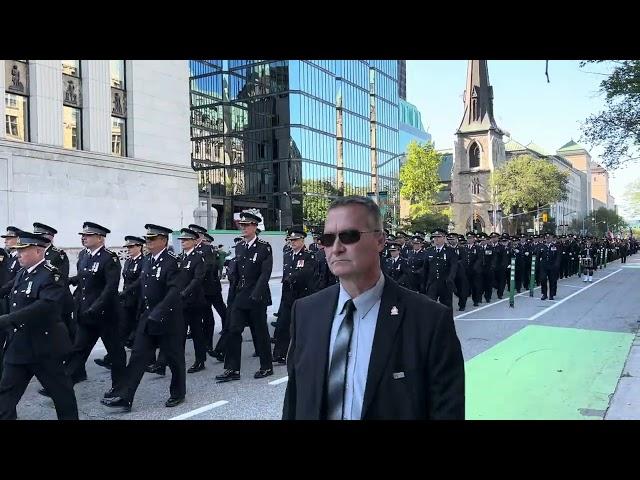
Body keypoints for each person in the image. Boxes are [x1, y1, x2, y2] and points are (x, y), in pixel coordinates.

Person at [282, 196, 465, 420]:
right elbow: (294, 401)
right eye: (328, 239)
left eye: (349, 236)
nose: (336, 248)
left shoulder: (429, 320)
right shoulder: (306, 312)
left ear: (380, 241)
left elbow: (446, 411)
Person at [101, 224, 186, 412]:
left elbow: (174, 290)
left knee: (174, 358)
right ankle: (125, 397)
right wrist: (125, 293)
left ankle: (178, 392)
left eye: (152, 239)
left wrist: (160, 311)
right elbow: (142, 283)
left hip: (169, 319)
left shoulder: (173, 261)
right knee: (138, 356)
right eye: (147, 238)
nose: (148, 242)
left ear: (163, 240)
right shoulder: (148, 260)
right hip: (148, 317)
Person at [0, 230, 78, 420]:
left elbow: (44, 306)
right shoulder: (22, 273)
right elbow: (6, 290)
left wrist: (8, 319)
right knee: (4, 397)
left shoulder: (52, 275)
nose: (17, 254)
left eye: (22, 250)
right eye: (17, 250)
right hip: (19, 347)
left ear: (37, 251)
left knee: (62, 394)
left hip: (44, 347)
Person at [48, 222, 126, 401]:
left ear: (100, 238)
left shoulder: (110, 258)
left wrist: (95, 308)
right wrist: (69, 281)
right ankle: (64, 386)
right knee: (78, 351)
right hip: (86, 315)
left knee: (116, 353)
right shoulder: (83, 255)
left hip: (106, 315)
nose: (83, 238)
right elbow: (85, 279)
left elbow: (110, 288)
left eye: (88, 235)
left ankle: (120, 388)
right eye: (83, 235)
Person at [215, 211, 274, 382]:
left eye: (247, 225)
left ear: (255, 226)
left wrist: (256, 294)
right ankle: (232, 369)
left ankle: (266, 366)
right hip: (240, 296)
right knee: (233, 330)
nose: (243, 228)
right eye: (242, 225)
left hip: (257, 297)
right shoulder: (240, 246)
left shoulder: (264, 247)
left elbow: (265, 274)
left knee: (260, 332)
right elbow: (237, 274)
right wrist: (232, 295)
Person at [272, 229, 316, 364]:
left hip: (302, 295)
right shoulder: (287, 254)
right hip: (288, 295)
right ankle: (279, 354)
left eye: (295, 240)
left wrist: (291, 278)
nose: (292, 242)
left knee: (302, 326)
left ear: (302, 240)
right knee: (282, 325)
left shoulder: (309, 256)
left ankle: (306, 352)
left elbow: (306, 273)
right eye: (291, 240)